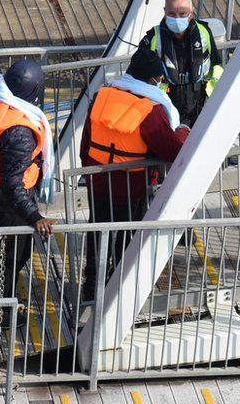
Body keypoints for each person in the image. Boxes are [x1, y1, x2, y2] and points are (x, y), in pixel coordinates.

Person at [80, 47, 190, 296]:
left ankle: (91, 285)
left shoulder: (102, 96)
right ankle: (118, 286)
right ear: (153, 79)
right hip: (132, 186)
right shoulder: (150, 110)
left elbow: (86, 141)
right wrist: (183, 130)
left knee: (97, 231)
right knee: (127, 237)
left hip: (98, 180)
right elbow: (171, 149)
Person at [0, 59, 56, 328]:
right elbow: (12, 185)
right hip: (4, 196)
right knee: (10, 257)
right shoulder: (19, 132)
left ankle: (0, 303)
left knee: (12, 252)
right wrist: (34, 216)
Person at [139, 0, 223, 126]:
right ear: (165, 11)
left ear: (191, 11)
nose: (177, 18)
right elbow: (137, 76)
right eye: (172, 14)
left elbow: (215, 65)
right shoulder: (152, 38)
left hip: (199, 107)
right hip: (164, 109)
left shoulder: (204, 32)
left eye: (182, 13)